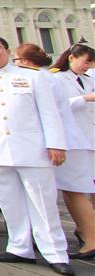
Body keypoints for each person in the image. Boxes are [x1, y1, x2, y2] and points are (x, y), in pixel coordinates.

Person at [0, 34, 74, 276]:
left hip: (31, 148)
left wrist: (56, 144)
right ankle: (20, 246)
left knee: (42, 202)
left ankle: (54, 251)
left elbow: (49, 113)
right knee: (8, 201)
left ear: (6, 50)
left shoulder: (32, 76)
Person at [47, 43, 95, 259]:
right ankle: (89, 237)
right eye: (85, 61)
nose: (88, 66)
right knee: (74, 189)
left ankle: (85, 231)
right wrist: (83, 99)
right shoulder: (56, 78)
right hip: (71, 141)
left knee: (86, 190)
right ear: (72, 57)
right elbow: (55, 107)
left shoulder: (88, 79)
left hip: (88, 139)